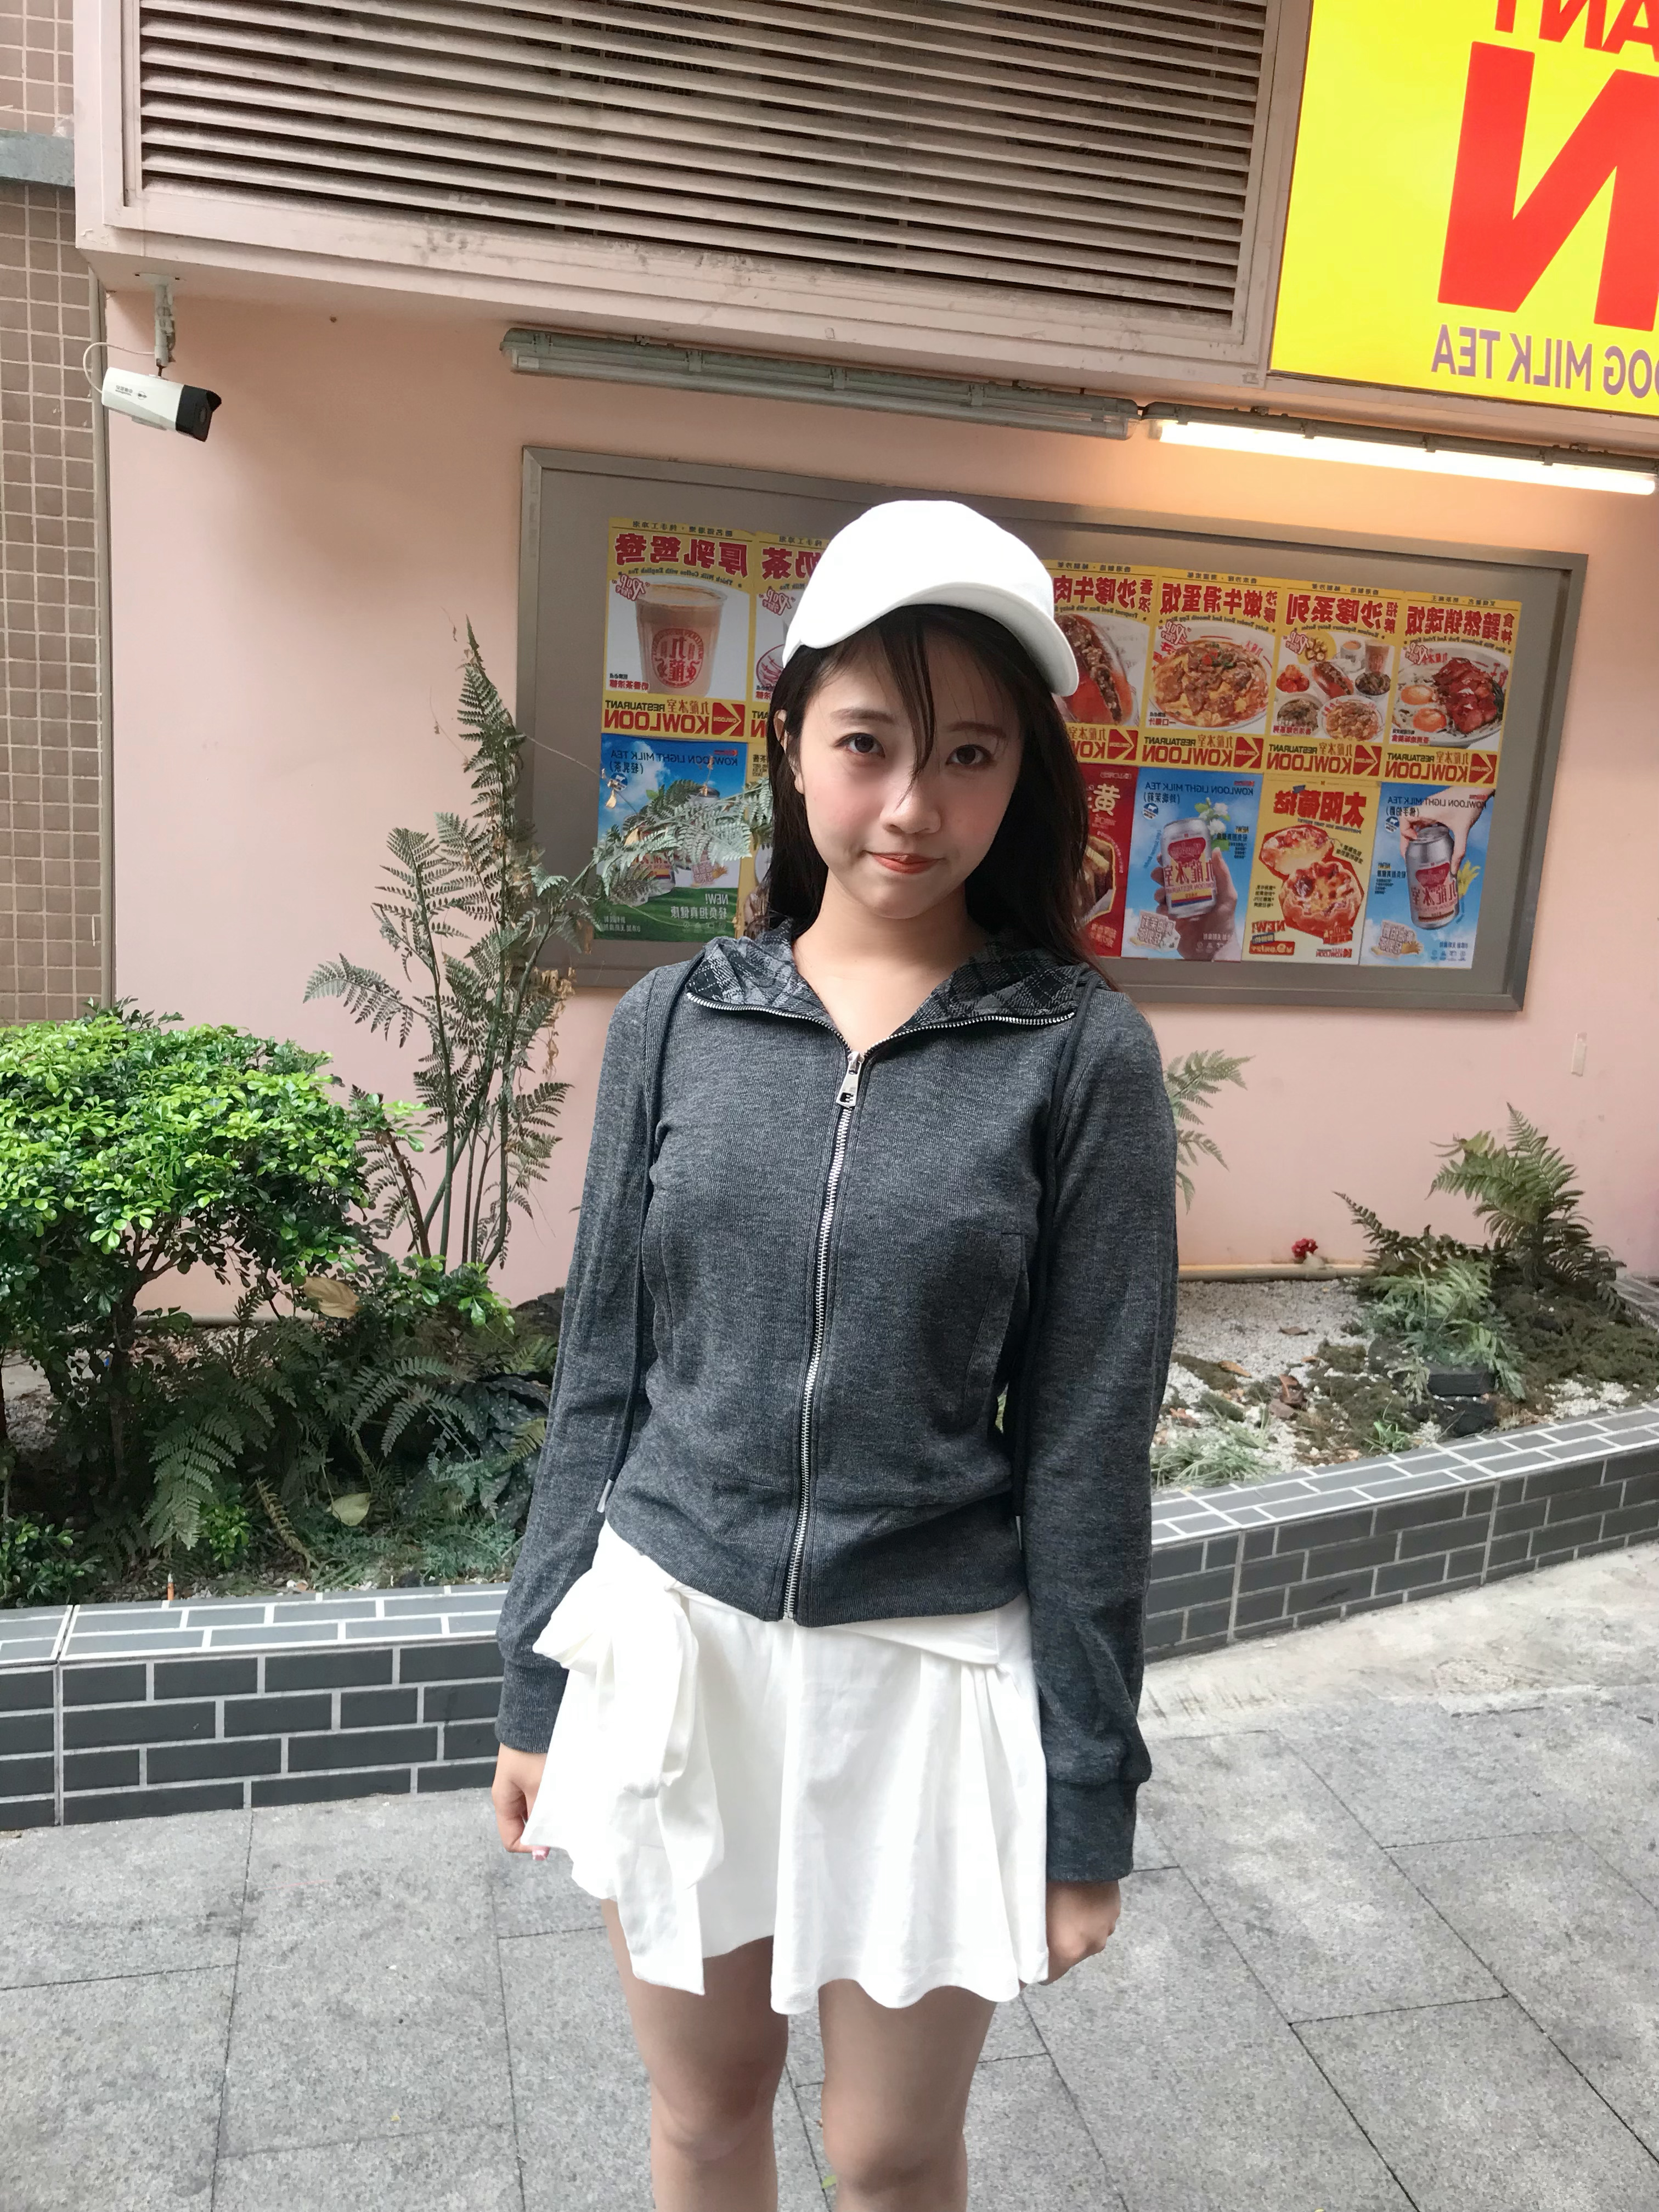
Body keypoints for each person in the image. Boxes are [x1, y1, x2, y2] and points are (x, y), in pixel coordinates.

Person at [492, 500, 1179, 2212]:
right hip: (679, 1644)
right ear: (792, 738)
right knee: (706, 2111)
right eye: (869, 742)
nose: (913, 805)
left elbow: (1090, 1442)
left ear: (1022, 779)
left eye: (970, 754)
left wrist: (1086, 1795)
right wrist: (536, 1685)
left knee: (887, 2152)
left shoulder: (1079, 1055)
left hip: (925, 1667)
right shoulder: (678, 1021)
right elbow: (600, 1372)